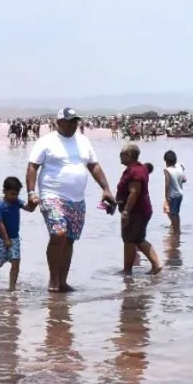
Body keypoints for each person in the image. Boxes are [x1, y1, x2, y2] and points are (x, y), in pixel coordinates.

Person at [25, 107, 115, 292]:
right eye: (69, 121)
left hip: (77, 199)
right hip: (52, 196)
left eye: (75, 121)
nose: (73, 124)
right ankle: (53, 281)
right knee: (59, 234)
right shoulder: (47, 141)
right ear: (59, 122)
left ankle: (62, 282)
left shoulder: (83, 141)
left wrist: (106, 188)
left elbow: (94, 166)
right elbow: (32, 166)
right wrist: (31, 193)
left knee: (69, 239)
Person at [116, 144, 162, 275]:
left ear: (129, 155)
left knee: (130, 239)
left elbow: (134, 192)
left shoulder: (135, 171)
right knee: (138, 239)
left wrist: (126, 211)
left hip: (136, 212)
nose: (120, 156)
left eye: (122, 154)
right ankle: (155, 265)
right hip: (141, 210)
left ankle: (127, 270)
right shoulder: (138, 169)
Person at [0, 177, 36, 291]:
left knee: (16, 263)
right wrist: (6, 239)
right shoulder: (0, 205)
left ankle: (12, 288)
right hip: (0, 238)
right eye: (12, 194)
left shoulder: (17, 202)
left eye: (16, 194)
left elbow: (29, 209)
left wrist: (34, 203)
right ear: (4, 191)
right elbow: (0, 223)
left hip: (14, 238)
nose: (14, 197)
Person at [163, 150, 185, 234]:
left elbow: (167, 183)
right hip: (180, 194)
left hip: (173, 195)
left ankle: (176, 231)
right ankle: (177, 230)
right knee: (176, 213)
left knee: (173, 214)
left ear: (166, 161)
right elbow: (184, 179)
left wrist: (166, 195)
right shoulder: (179, 167)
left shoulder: (167, 170)